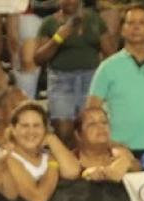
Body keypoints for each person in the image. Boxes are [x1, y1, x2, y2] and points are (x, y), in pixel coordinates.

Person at [86, 4, 144, 154]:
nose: (136, 27)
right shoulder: (107, 67)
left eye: (142, 23)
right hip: (118, 150)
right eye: (130, 23)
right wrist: (109, 143)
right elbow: (91, 111)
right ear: (122, 29)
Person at [35, 0, 104, 142]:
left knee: (90, 128)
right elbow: (38, 58)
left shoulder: (94, 19)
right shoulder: (49, 23)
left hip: (92, 79)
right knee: (63, 132)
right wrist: (58, 37)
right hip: (61, 80)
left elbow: (110, 51)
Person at [0, 100, 82, 201]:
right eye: (25, 126)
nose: (31, 131)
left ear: (45, 129)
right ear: (14, 130)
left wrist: (52, 139)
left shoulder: (48, 155)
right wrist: (52, 166)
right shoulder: (9, 158)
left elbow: (73, 172)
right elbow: (39, 199)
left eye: (36, 125)